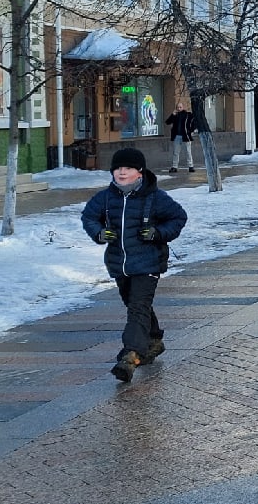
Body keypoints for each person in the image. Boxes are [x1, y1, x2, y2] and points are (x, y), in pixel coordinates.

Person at [80, 148, 188, 382]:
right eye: (118, 168)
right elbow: (88, 217)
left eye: (127, 168)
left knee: (137, 307)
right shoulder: (105, 198)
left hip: (148, 262)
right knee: (136, 304)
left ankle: (130, 356)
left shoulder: (154, 197)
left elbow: (179, 217)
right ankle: (154, 340)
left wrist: (158, 233)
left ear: (139, 172)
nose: (122, 172)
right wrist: (99, 233)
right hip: (119, 264)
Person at [164, 103, 197, 173]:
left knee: (188, 152)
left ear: (183, 107)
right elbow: (167, 122)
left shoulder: (188, 115)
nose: (179, 109)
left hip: (186, 136)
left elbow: (194, 123)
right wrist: (172, 115)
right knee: (176, 152)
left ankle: (191, 166)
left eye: (180, 107)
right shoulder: (175, 115)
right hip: (177, 136)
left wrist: (191, 131)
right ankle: (174, 167)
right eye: (178, 107)